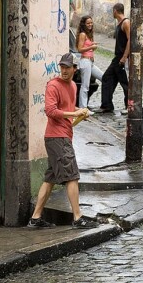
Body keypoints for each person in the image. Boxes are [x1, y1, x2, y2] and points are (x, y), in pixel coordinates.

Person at [28, 52, 99, 229]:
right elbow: (51, 111)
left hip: (63, 136)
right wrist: (73, 113)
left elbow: (67, 107)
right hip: (56, 137)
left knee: (51, 177)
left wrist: (80, 111)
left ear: (75, 69)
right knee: (72, 176)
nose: (64, 70)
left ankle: (35, 218)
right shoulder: (53, 85)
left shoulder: (73, 86)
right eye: (62, 67)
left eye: (68, 67)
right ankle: (77, 217)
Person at [94, 3, 130, 113]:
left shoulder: (126, 22)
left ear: (115, 11)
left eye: (112, 11)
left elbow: (130, 40)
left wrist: (124, 57)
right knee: (107, 78)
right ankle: (107, 105)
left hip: (121, 58)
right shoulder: (119, 23)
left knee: (124, 83)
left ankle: (129, 107)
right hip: (117, 57)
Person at [76, 16, 103, 108]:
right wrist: (91, 47)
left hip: (90, 63)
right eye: (88, 23)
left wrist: (92, 45)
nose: (90, 24)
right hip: (85, 61)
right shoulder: (83, 34)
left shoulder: (89, 34)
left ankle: (104, 103)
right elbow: (79, 49)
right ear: (84, 24)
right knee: (85, 85)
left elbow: (87, 47)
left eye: (91, 22)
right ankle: (82, 108)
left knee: (104, 78)